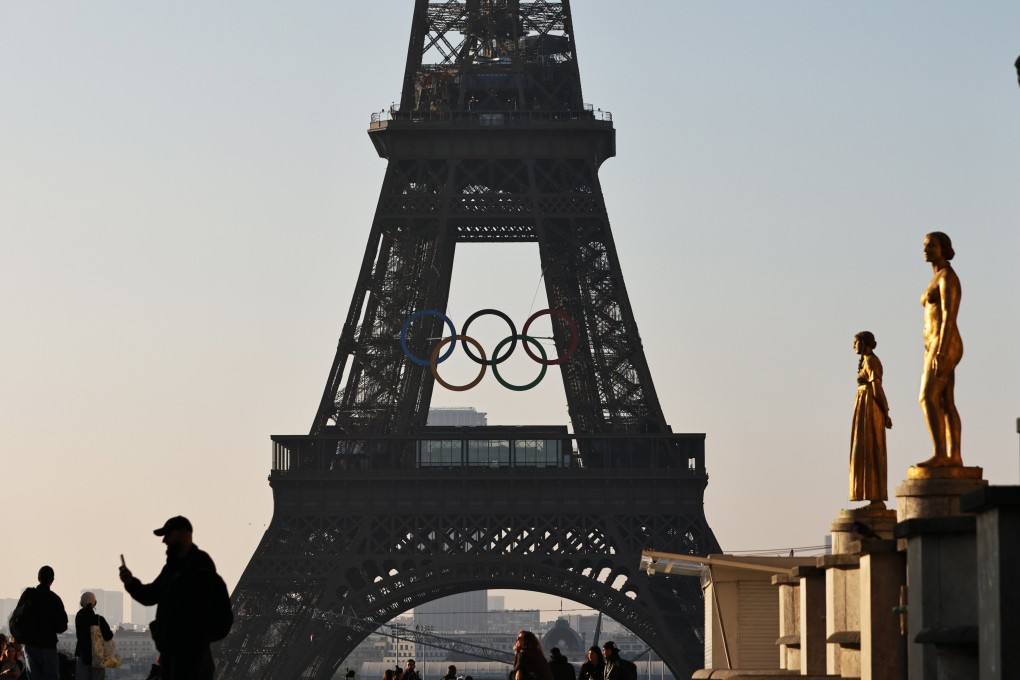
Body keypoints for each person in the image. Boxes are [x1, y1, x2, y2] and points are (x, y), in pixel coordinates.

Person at [118, 516, 224, 680]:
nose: (164, 540)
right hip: (174, 655)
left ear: (183, 534)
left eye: (168, 534)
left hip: (190, 655)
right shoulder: (172, 568)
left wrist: (197, 640)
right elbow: (151, 595)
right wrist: (130, 582)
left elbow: (219, 612)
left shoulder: (199, 565)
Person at [917, 231, 964, 467]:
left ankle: (941, 454)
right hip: (934, 344)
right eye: (924, 246)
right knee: (945, 401)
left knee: (927, 397)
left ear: (943, 248)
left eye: (931, 246)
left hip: (945, 342)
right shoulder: (935, 278)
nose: (926, 249)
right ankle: (953, 456)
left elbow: (948, 316)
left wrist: (941, 351)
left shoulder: (947, 277)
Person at [849, 331, 892, 506]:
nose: (853, 346)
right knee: (864, 450)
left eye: (856, 342)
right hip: (864, 406)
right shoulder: (866, 361)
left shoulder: (872, 362)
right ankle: (871, 495)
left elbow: (877, 389)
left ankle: (876, 497)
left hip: (870, 407)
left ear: (864, 343)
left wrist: (886, 412)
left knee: (871, 449)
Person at [14, 566, 68, 680]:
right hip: (48, 645)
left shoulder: (28, 595)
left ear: (38, 578)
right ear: (52, 580)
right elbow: (62, 626)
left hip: (31, 645)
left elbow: (17, 616)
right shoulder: (55, 599)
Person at [74, 592, 113, 680]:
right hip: (98, 655)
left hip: (82, 654)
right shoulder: (99, 619)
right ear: (95, 603)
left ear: (81, 603)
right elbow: (109, 636)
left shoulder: (79, 617)